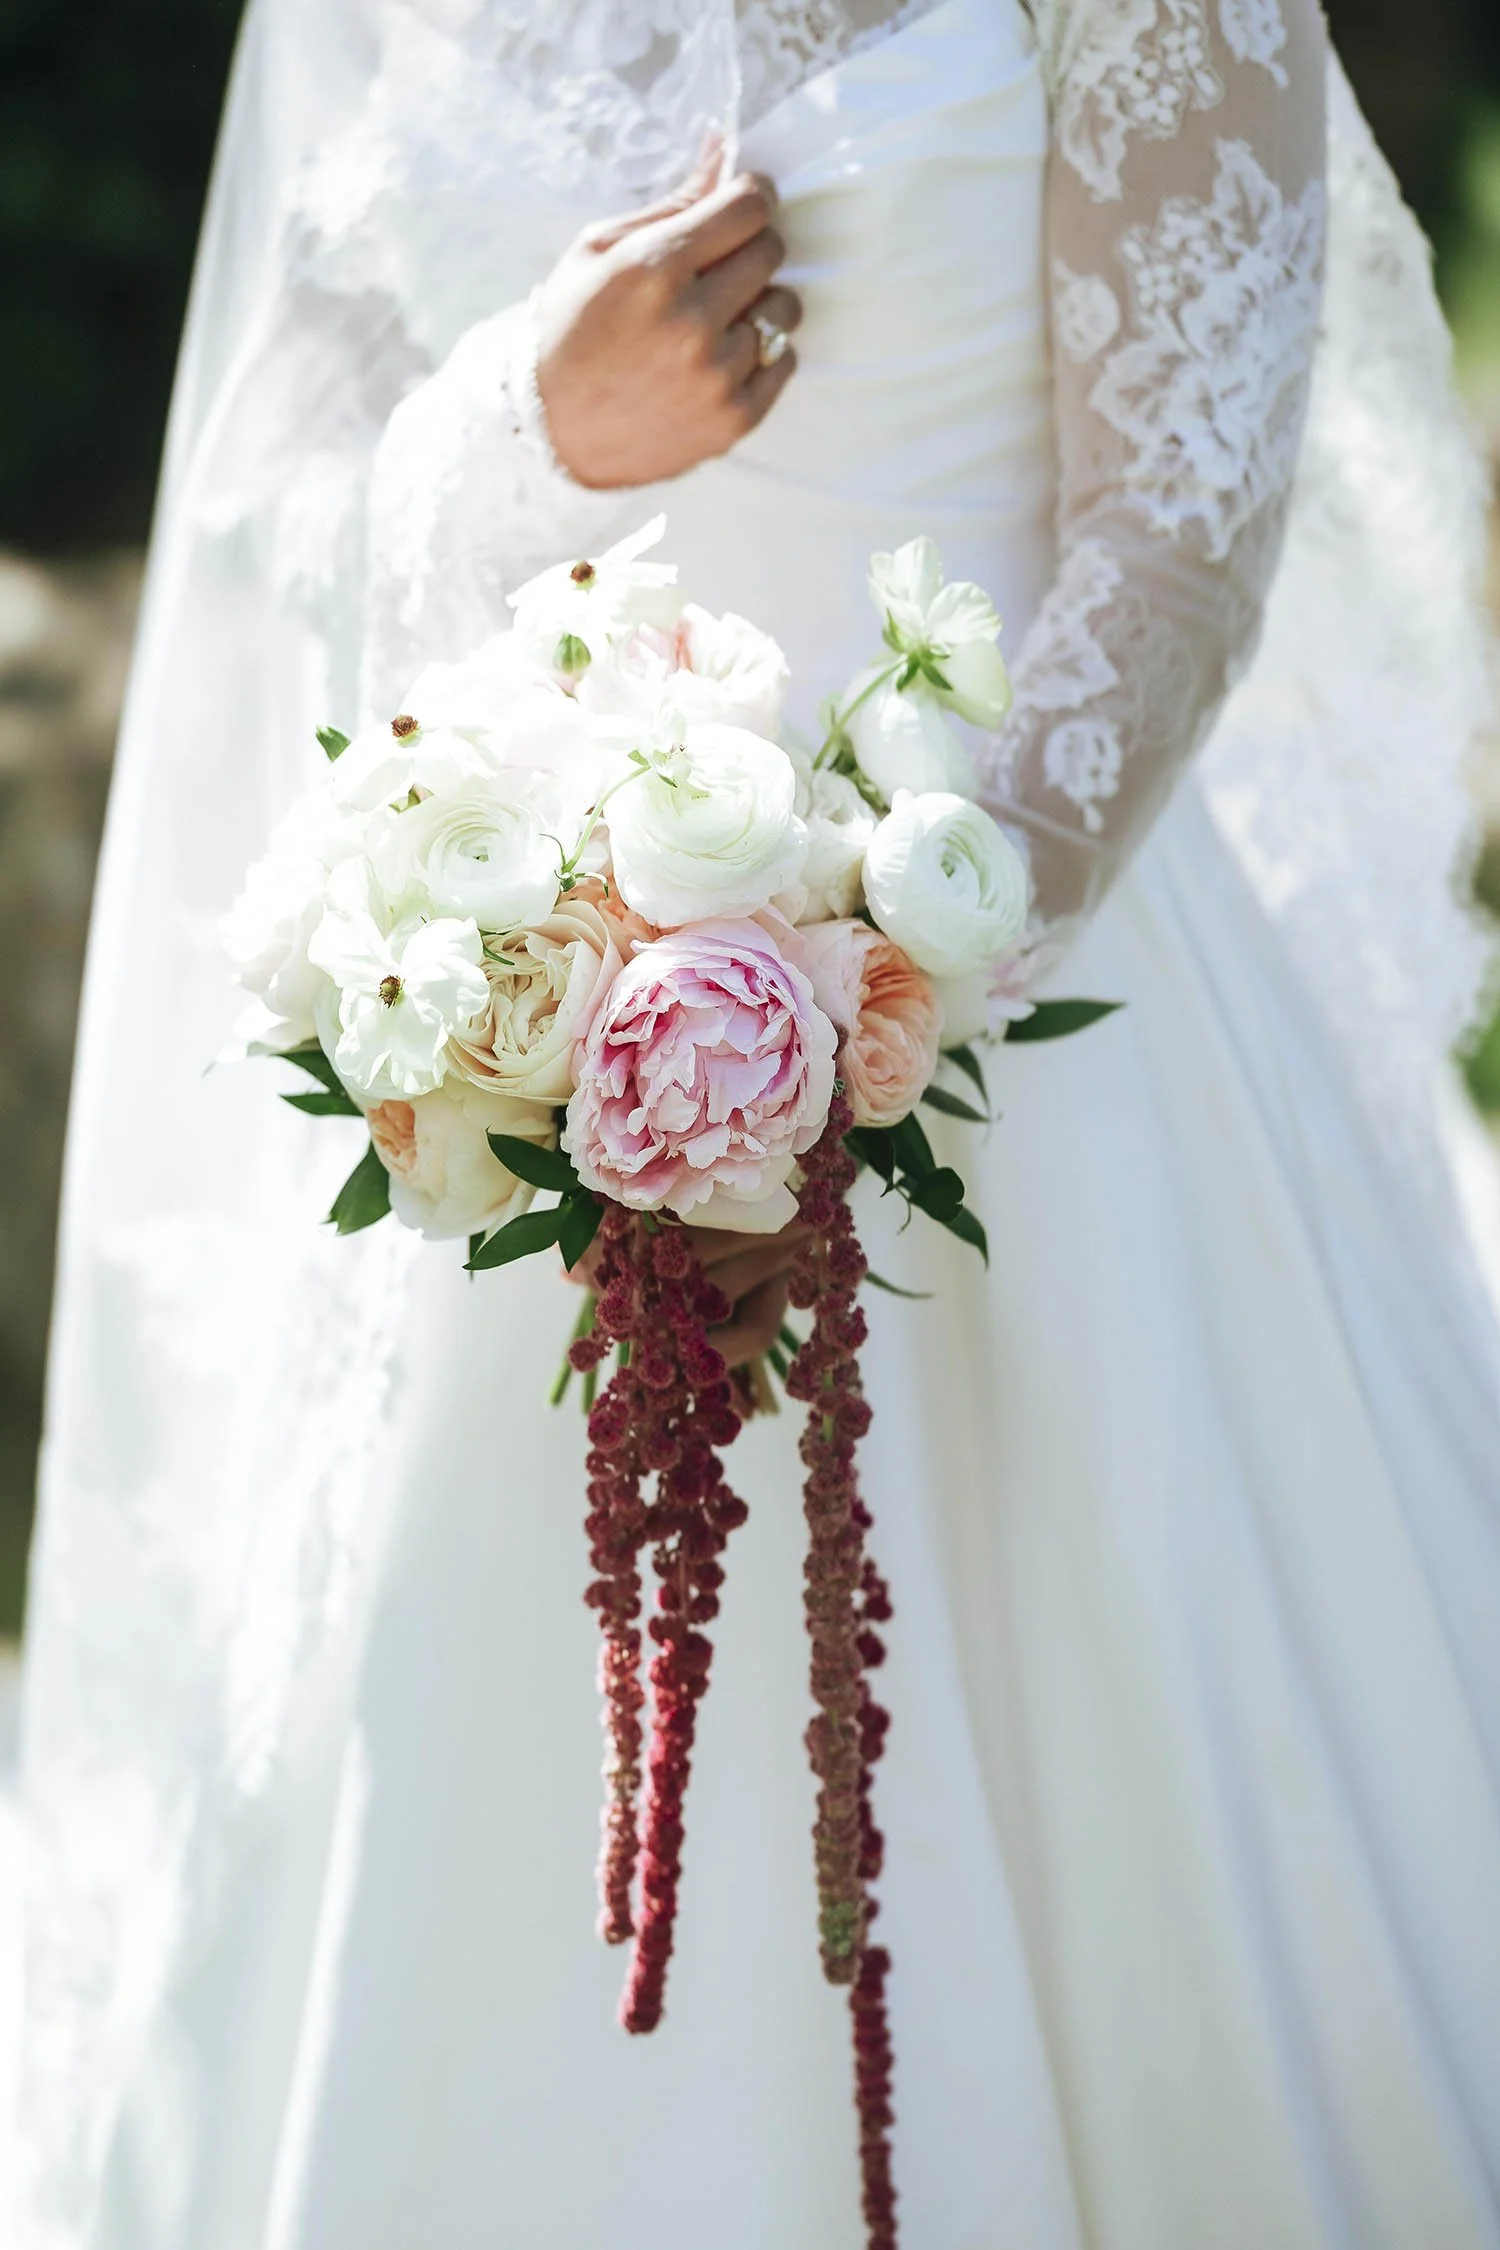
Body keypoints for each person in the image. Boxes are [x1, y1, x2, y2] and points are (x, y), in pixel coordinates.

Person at [15, 2, 1500, 2245]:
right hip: (542, 1054)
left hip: (1023, 1049)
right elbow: (286, 503)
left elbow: (1179, 540)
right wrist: (533, 423)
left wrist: (847, 1019)